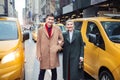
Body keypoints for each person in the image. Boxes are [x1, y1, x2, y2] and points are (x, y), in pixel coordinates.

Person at [36, 13, 64, 80]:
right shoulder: (40, 30)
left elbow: (62, 40)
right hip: (44, 54)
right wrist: (38, 54)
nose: (50, 21)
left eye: (52, 19)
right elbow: (38, 43)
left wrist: (57, 48)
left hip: (53, 54)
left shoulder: (57, 29)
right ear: (46, 19)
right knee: (42, 72)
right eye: (49, 19)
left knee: (54, 71)